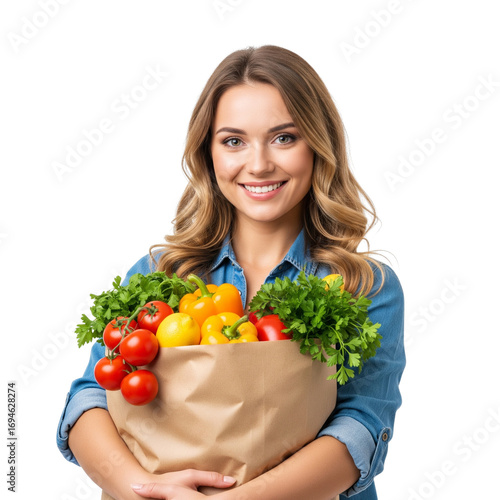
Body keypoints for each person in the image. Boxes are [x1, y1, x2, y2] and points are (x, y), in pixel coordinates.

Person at [57, 45, 405, 499]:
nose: (258, 164)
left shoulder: (365, 287)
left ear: (319, 145)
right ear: (209, 154)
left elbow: (361, 428)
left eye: (284, 137)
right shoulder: (160, 275)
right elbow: (91, 398)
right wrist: (137, 486)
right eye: (233, 141)